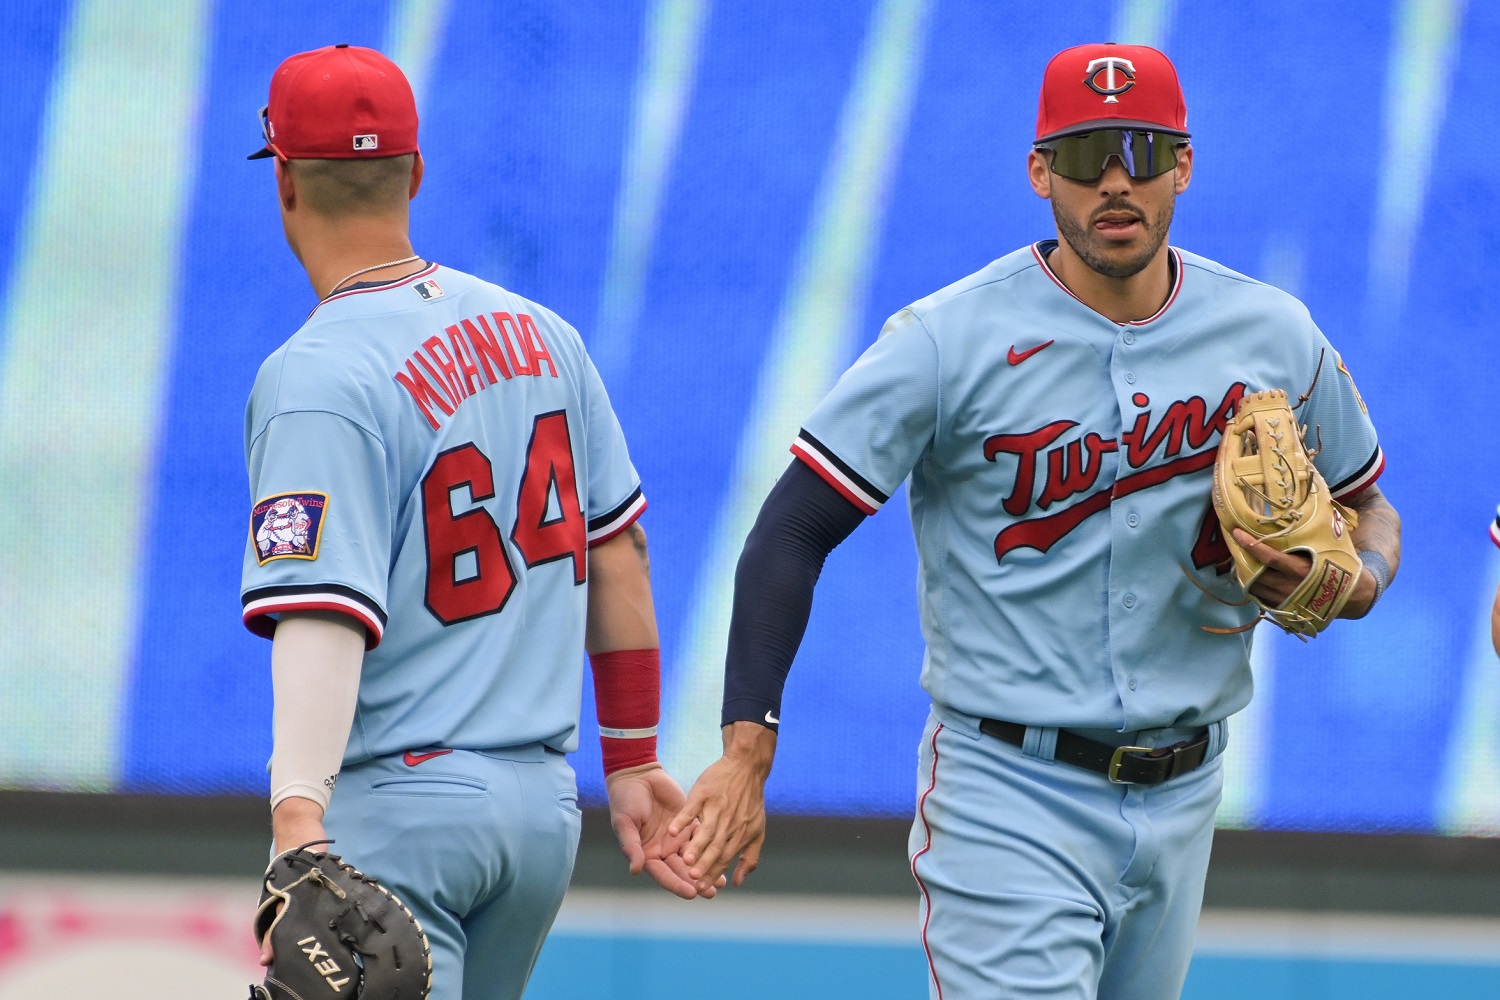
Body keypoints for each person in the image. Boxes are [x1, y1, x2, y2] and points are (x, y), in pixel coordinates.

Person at [671, 42, 1401, 998]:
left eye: (1141, 152)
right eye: (1086, 151)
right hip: (1008, 791)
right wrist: (746, 745)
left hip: (1188, 793)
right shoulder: (948, 339)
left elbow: (1367, 503)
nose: (1115, 181)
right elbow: (790, 531)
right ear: (1038, 171)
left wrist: (1363, 579)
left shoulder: (1270, 331)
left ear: (1183, 165)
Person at [239, 44, 712, 1000]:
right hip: (539, 814)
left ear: (285, 181)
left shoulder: (317, 374)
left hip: (399, 810)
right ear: (414, 172)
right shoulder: (543, 333)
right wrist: (633, 762)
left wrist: (297, 818)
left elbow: (323, 610)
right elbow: (621, 550)